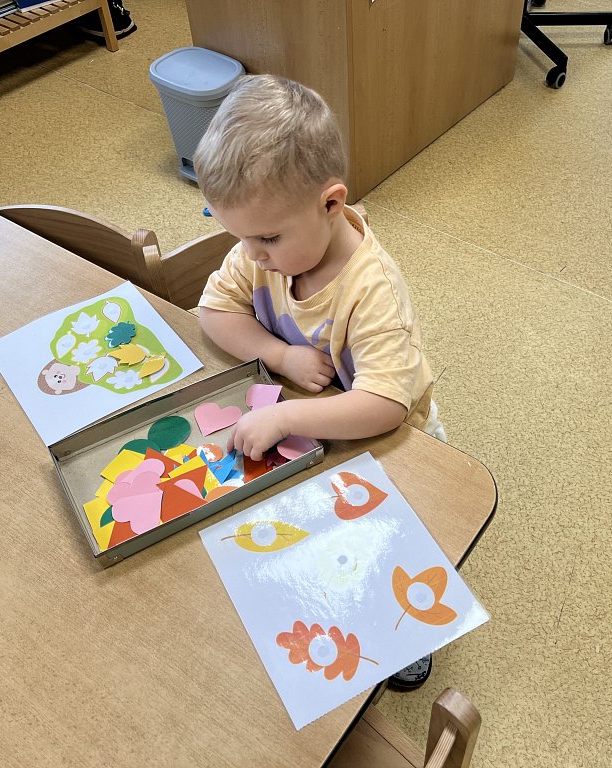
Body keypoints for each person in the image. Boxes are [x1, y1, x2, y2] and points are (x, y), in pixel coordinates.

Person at [194, 74, 443, 691]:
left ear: (331, 204)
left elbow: (383, 405)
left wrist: (286, 416)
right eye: (240, 237)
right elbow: (213, 311)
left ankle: (402, 631)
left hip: (394, 441)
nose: (252, 255)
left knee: (388, 543)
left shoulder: (373, 288)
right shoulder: (264, 249)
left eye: (266, 238)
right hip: (317, 422)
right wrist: (279, 355)